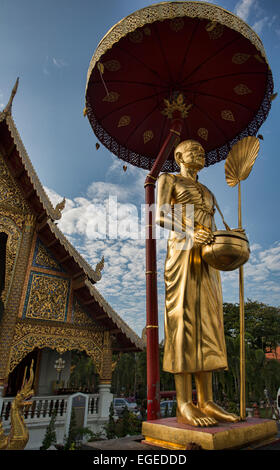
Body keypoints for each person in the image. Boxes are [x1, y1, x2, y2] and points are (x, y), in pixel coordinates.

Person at [156, 139, 239, 427]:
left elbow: (212, 226)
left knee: (209, 322)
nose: (200, 154)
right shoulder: (169, 179)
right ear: (179, 155)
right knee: (184, 319)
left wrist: (229, 240)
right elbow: (161, 214)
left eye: (203, 151)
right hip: (181, 252)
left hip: (206, 256)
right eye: (194, 150)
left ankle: (206, 400)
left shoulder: (207, 190)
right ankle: (184, 403)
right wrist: (192, 230)